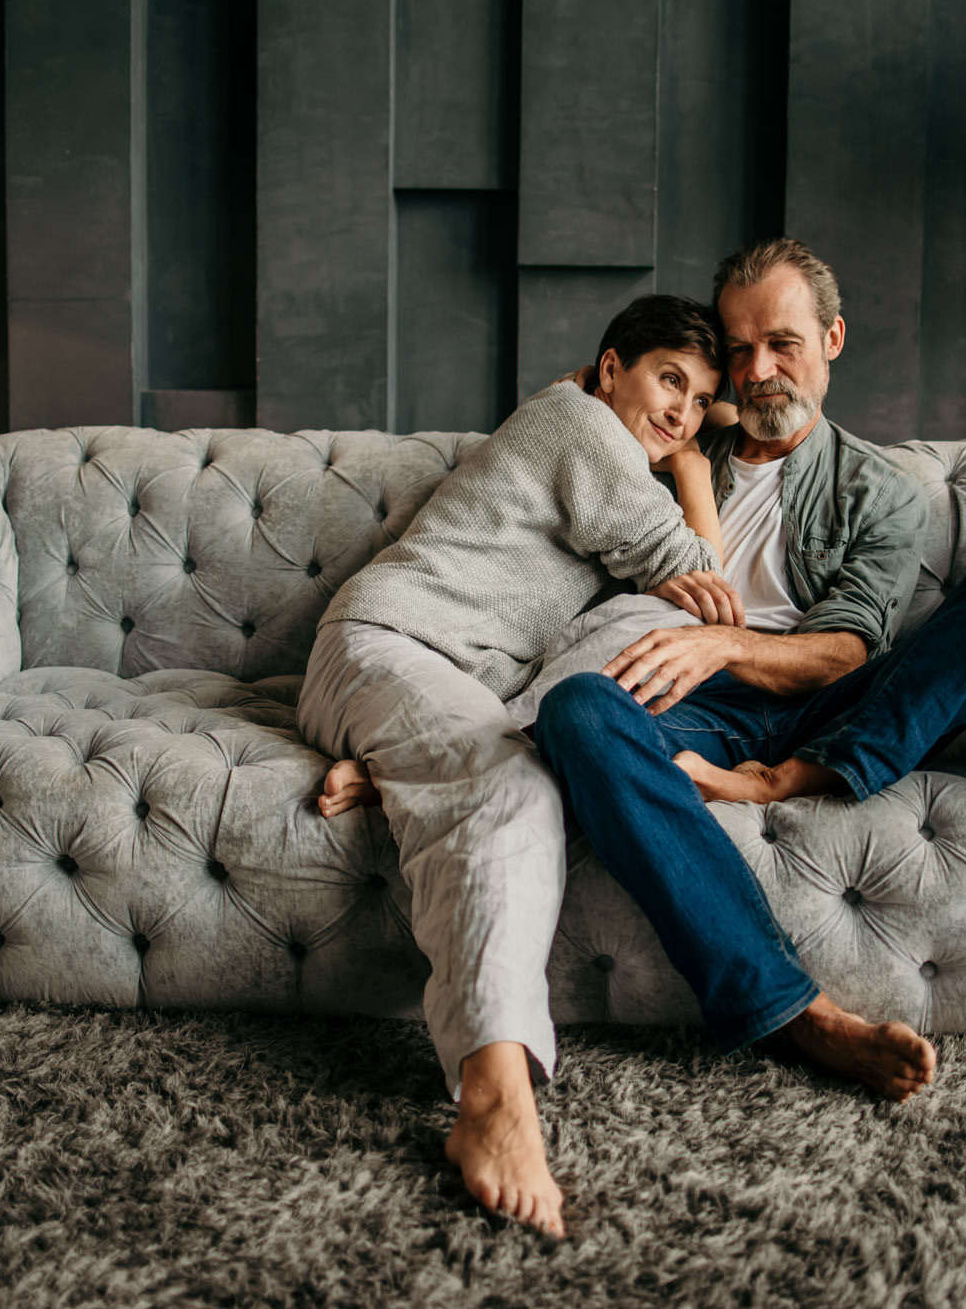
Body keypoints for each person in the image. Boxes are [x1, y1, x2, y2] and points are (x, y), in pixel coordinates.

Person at [533, 238, 966, 1102]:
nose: (759, 370)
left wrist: (724, 643)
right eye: (739, 348)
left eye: (783, 343)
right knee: (578, 708)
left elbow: (848, 647)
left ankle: (783, 780)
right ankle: (793, 1009)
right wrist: (684, 450)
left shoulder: (878, 488)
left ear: (832, 340)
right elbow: (583, 398)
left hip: (839, 703)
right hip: (692, 706)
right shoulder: (676, 440)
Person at [296, 295, 738, 1239]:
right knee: (509, 783)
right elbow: (701, 570)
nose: (682, 414)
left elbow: (667, 609)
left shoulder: (587, 442)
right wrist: (696, 469)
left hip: (459, 686)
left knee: (643, 631)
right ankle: (493, 1093)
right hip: (386, 646)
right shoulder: (581, 425)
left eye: (702, 403)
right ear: (609, 366)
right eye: (670, 379)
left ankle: (400, 767)